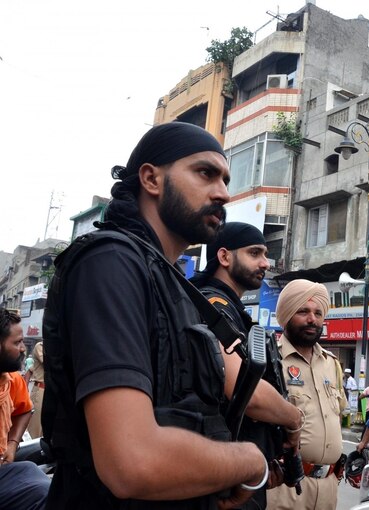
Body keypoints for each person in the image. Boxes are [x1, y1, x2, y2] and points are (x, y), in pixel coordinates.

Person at [41, 122, 268, 509]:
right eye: (205, 173)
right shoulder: (111, 262)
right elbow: (131, 461)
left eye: (225, 179)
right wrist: (248, 460)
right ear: (151, 179)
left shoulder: (173, 282)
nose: (223, 193)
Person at [191, 221, 304, 509]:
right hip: (218, 475)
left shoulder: (231, 310)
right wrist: (293, 419)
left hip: (237, 471)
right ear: (225, 256)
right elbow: (245, 390)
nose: (265, 263)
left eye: (265, 254)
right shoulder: (212, 305)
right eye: (254, 253)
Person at [266, 279, 347, 510]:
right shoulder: (272, 360)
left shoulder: (331, 364)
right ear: (287, 315)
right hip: (286, 487)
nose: (312, 319)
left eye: (318, 312)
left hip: (328, 487)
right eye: (303, 311)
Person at [0, 309, 50, 509]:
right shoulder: (41, 347)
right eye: (17, 342)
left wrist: (12, 444)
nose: (22, 349)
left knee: (35, 474)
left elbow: (24, 410)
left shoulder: (12, 380)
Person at [26, 341, 44, 439]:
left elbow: (31, 369)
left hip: (55, 391)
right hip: (41, 390)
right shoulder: (40, 346)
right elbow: (51, 363)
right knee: (36, 429)